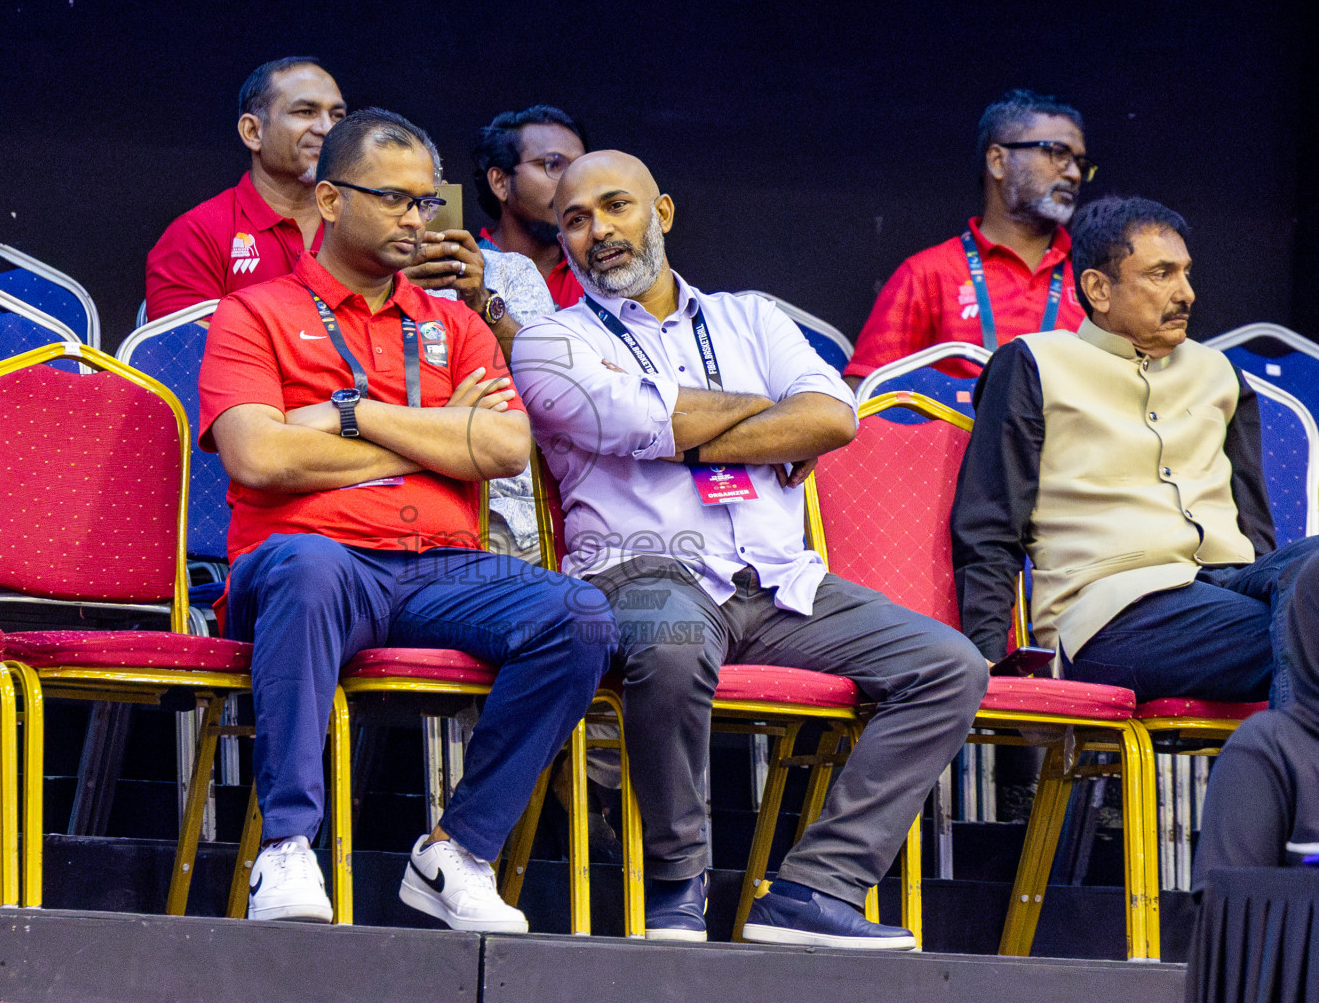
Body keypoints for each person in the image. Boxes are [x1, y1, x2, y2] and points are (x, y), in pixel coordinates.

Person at [512, 150, 988, 948]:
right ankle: (675, 883)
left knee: (949, 666)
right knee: (668, 646)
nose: (599, 232)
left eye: (616, 207)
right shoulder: (548, 342)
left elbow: (834, 419)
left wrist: (695, 430)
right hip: (641, 567)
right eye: (575, 220)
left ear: (661, 213)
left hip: (777, 581)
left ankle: (814, 890)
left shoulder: (753, 318)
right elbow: (641, 424)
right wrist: (770, 417)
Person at [199, 108, 612, 931]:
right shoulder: (256, 314)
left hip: (442, 568)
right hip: (309, 558)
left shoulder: (453, 322)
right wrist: (432, 440)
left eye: (427, 202)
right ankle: (286, 845)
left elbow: (499, 445)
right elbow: (258, 459)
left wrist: (346, 415)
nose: (417, 220)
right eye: (394, 199)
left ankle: (458, 853)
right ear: (328, 198)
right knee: (311, 570)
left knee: (580, 614)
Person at [953, 195, 1319, 707]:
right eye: (1161, 274)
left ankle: (1278, 776)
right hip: (1112, 616)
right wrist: (984, 652)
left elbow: (1254, 527)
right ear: (1099, 289)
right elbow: (989, 525)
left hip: (1231, 589)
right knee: (1304, 638)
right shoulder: (1033, 365)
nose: (1186, 293)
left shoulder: (1219, 374)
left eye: (1187, 273)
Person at [844, 90, 1092, 385]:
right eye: (1058, 153)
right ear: (998, 161)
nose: (1075, 173)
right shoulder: (928, 275)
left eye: (1079, 162)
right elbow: (864, 396)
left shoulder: (1092, 279)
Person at [146, 57, 347, 321]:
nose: (327, 128)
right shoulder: (197, 235)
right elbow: (187, 357)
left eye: (338, 116)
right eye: (306, 112)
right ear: (252, 131)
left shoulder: (367, 224)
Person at [1193, 548, 1319, 887]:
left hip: (1241, 574)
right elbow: (1234, 930)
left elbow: (1257, 532)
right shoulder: (1261, 747)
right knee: (1311, 572)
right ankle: (1299, 792)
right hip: (1127, 592)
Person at [471, 106, 589, 309]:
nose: (573, 180)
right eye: (553, 164)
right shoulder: (466, 276)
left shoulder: (599, 269)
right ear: (500, 182)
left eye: (580, 168)